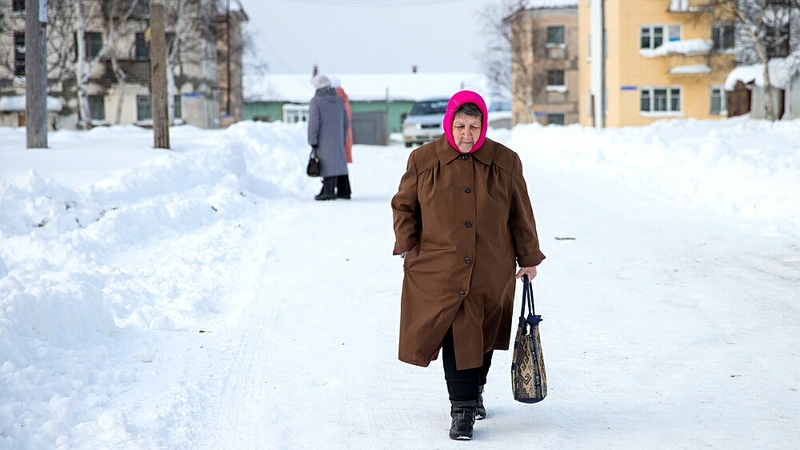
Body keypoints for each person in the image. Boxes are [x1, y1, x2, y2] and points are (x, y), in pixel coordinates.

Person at [390, 90, 545, 440]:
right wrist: (409, 243)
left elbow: (521, 212)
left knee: (484, 336)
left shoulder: (506, 162)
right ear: (449, 123)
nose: (466, 134)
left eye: (474, 126)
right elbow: (403, 206)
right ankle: (461, 410)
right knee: (457, 335)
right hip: (441, 268)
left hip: (491, 267)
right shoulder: (423, 160)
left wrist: (529, 257)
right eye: (460, 125)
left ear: (483, 126)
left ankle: (475, 392)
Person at [307, 74, 349, 201]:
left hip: (323, 139)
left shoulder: (316, 101)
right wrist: (343, 136)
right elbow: (346, 121)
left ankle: (328, 191)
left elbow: (314, 122)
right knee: (337, 163)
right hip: (337, 137)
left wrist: (312, 139)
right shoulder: (338, 100)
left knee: (325, 164)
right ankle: (342, 190)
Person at [330, 76, 353, 199]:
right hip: (346, 133)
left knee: (337, 162)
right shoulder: (344, 98)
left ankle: (341, 189)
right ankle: (344, 189)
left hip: (340, 134)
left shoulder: (336, 98)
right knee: (341, 162)